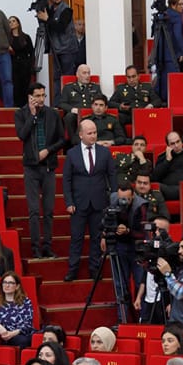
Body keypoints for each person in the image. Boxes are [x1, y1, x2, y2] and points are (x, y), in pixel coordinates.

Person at [15, 84, 63, 260]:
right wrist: (32, 115)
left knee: (48, 210)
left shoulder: (53, 114)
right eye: (37, 96)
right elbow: (22, 135)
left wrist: (48, 151)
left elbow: (61, 140)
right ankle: (35, 248)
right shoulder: (21, 114)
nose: (41, 99)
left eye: (43, 95)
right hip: (31, 167)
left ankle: (47, 246)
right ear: (30, 97)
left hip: (49, 166)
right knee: (34, 211)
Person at [65, 118, 114, 281]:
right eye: (90, 133)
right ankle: (72, 270)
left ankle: (94, 269)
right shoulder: (72, 154)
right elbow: (67, 180)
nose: (93, 136)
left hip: (99, 203)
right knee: (76, 238)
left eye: (95, 133)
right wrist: (69, 202)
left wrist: (113, 200)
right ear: (81, 135)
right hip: (78, 204)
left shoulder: (104, 152)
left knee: (96, 238)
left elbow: (112, 176)